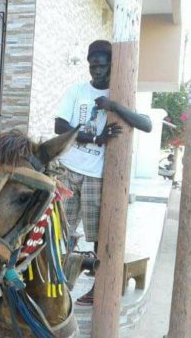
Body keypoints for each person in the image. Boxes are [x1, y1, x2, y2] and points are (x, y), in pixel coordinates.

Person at [54, 40, 152, 306]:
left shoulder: (121, 93)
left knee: (98, 235)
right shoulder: (76, 92)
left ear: (111, 65)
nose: (95, 70)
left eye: (101, 65)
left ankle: (97, 288)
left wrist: (114, 106)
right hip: (68, 170)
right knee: (60, 230)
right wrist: (95, 138)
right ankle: (57, 281)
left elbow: (147, 125)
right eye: (92, 65)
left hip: (96, 177)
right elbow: (60, 126)